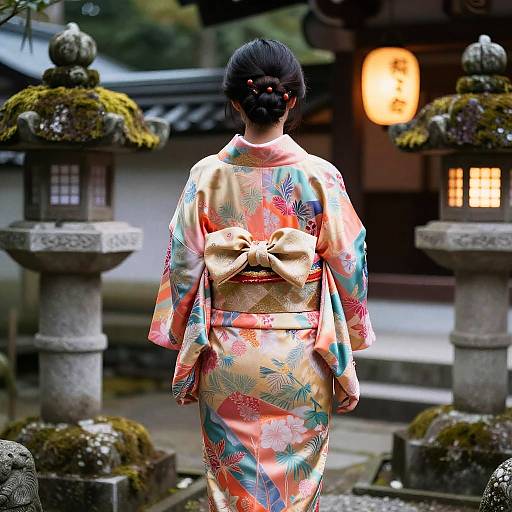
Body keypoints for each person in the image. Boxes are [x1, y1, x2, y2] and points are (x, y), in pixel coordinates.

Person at [149, 38, 375, 512]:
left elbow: (185, 264)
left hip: (226, 355)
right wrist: (350, 338)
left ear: (235, 102)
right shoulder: (320, 177)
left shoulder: (206, 176)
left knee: (230, 487)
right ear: (291, 100)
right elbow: (349, 264)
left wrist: (178, 336)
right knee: (296, 488)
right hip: (300, 355)